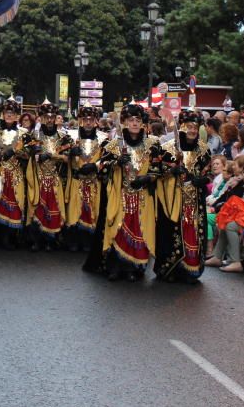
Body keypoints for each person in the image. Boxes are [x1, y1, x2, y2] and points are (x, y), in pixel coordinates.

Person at [84, 103, 159, 282]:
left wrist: (148, 178)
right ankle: (115, 267)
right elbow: (101, 167)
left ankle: (134, 267)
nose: (134, 123)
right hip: (120, 195)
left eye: (138, 120)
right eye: (131, 120)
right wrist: (115, 163)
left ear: (143, 123)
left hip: (141, 197)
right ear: (124, 122)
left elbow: (159, 168)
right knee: (117, 228)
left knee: (138, 229)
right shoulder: (113, 145)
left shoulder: (153, 144)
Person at [153, 110, 210, 282]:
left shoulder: (204, 150)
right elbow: (156, 171)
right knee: (171, 232)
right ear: (182, 127)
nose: (192, 130)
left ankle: (190, 269)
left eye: (196, 127)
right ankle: (170, 269)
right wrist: (171, 170)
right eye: (189, 126)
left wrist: (203, 180)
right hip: (172, 199)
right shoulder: (168, 148)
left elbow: (209, 174)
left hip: (194, 201)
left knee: (192, 231)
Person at [24, 100, 71, 252]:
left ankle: (51, 240)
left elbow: (67, 158)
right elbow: (28, 154)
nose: (49, 120)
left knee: (54, 208)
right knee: (37, 207)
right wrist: (35, 155)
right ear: (41, 118)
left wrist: (50, 155)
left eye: (52, 117)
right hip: (38, 178)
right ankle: (36, 240)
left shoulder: (63, 136)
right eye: (46, 117)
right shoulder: (33, 135)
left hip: (55, 178)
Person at [65, 105, 107, 253]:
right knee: (75, 211)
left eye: (91, 119)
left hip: (94, 182)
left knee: (92, 211)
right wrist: (70, 153)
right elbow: (61, 156)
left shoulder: (104, 138)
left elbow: (109, 159)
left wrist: (95, 165)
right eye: (85, 119)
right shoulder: (71, 137)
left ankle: (89, 241)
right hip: (77, 181)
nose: (88, 123)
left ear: (96, 121)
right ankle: (74, 240)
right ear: (80, 120)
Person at [0, 98, 27, 249]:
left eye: (12, 113)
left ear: (17, 115)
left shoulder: (24, 133)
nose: (9, 115)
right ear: (2, 114)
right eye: (7, 113)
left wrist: (16, 151)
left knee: (14, 203)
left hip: (15, 173)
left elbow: (28, 153)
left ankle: (9, 238)